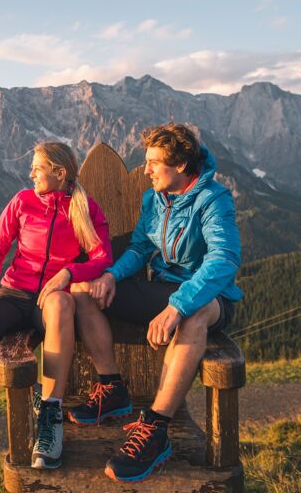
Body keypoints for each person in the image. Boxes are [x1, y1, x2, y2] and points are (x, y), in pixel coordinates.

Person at [67, 123, 242, 483]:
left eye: (153, 162)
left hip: (209, 297)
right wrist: (111, 276)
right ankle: (113, 389)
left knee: (192, 317)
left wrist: (178, 306)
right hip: (162, 291)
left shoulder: (213, 199)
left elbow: (224, 259)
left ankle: (156, 428)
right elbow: (141, 248)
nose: (145, 170)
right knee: (84, 293)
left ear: (180, 166)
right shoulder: (155, 199)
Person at [0, 141, 112, 470]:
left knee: (59, 306)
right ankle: (34, 393)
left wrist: (69, 272)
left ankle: (50, 416)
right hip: (13, 294)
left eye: (37, 168)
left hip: (50, 299)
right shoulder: (23, 201)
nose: (31, 174)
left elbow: (102, 258)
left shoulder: (85, 209)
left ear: (59, 173)